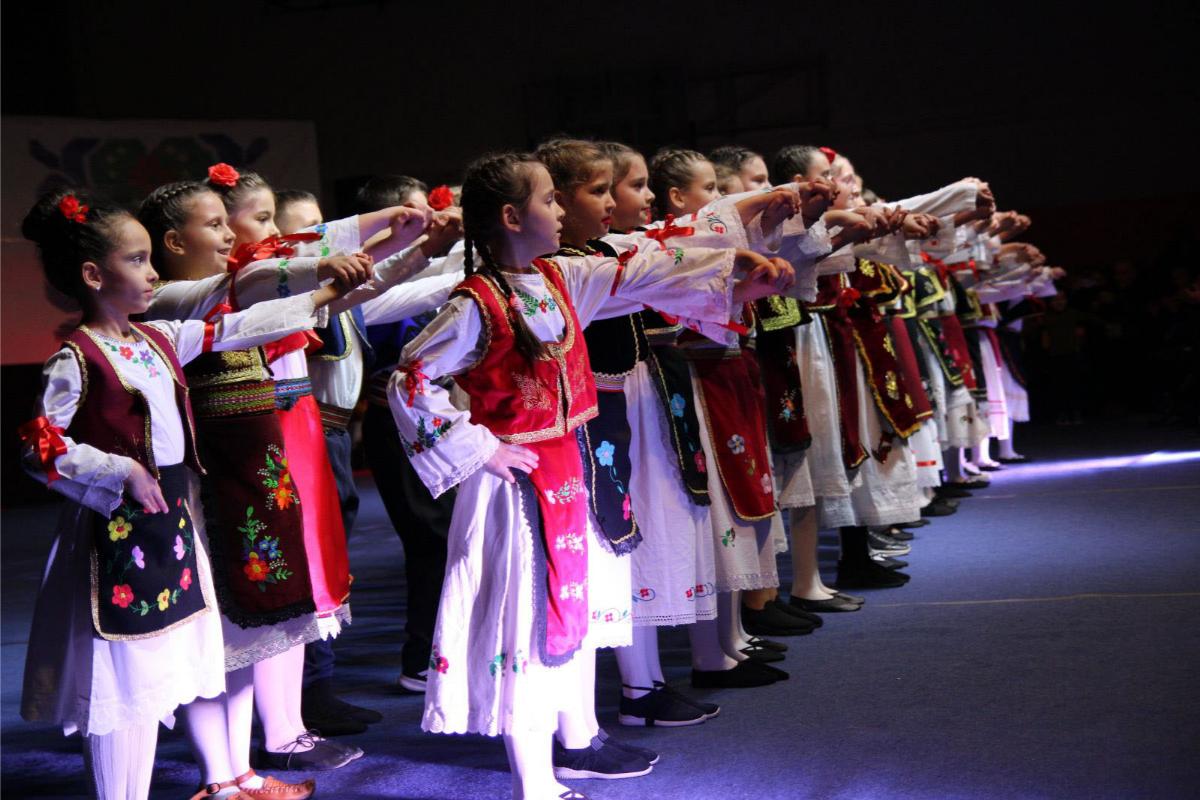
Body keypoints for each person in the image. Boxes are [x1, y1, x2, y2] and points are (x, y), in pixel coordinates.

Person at [387, 151, 792, 800]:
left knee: (571, 611)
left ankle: (574, 744)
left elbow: (634, 271)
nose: (557, 211)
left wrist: (729, 268)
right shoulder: (478, 302)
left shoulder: (559, 279)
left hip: (565, 475)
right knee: (525, 616)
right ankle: (537, 774)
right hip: (512, 490)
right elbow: (412, 375)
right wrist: (475, 448)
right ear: (513, 217)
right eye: (548, 201)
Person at [18, 188, 365, 799]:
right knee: (124, 685)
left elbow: (236, 328)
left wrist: (321, 297)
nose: (152, 273)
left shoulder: (157, 341)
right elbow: (41, 449)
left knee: (178, 668)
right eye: (137, 260)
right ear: (94, 274)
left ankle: (228, 780)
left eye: (152, 259)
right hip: (115, 542)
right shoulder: (78, 357)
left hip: (173, 532)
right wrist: (118, 471)